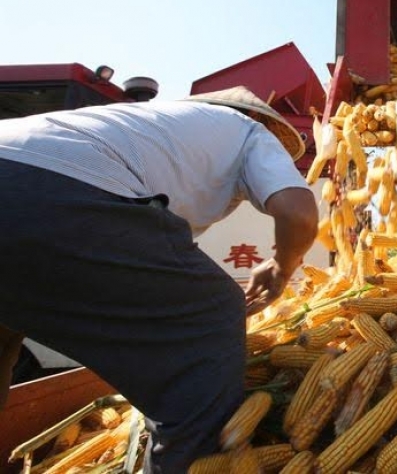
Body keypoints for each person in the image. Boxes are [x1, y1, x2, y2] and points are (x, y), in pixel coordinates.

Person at [0, 86, 320, 472]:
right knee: (212, 315)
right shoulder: (248, 130)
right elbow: (299, 214)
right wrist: (282, 266)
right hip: (46, 188)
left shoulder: (151, 135)